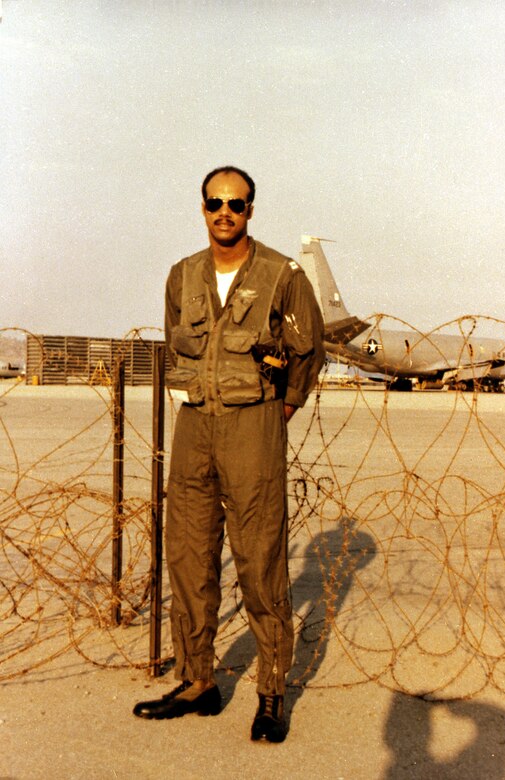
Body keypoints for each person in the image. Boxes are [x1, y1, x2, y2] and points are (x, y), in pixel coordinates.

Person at [133, 165, 325, 742]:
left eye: (236, 204)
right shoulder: (183, 276)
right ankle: (198, 681)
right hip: (195, 426)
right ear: (202, 208)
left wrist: (281, 407)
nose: (225, 212)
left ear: (250, 210)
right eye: (215, 202)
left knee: (259, 557)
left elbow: (307, 348)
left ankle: (270, 691)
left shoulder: (280, 275)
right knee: (189, 556)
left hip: (253, 427)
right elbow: (176, 345)